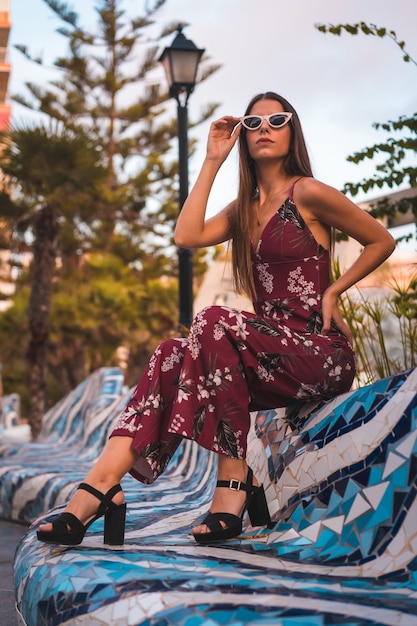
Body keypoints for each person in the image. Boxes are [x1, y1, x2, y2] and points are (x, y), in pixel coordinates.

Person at [37, 91, 395, 546]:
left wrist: (333, 290)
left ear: (292, 131)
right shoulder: (243, 210)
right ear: (243, 137)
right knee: (170, 353)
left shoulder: (308, 192)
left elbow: (380, 240)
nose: (264, 128)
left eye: (277, 120)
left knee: (211, 320)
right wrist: (212, 160)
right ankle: (100, 487)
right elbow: (186, 235)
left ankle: (232, 483)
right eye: (254, 123)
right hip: (262, 360)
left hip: (320, 354)